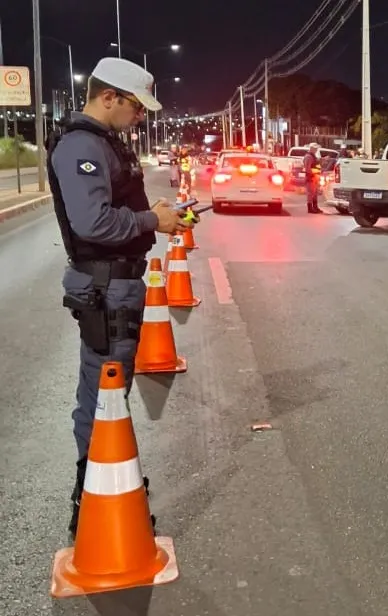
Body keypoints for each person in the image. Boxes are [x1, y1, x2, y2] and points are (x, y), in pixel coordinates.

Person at [47, 57, 193, 536]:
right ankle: (92, 498)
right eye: (136, 106)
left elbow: (114, 210)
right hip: (105, 288)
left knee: (112, 390)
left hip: (116, 283)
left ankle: (106, 483)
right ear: (108, 97)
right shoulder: (81, 146)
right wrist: (154, 221)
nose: (141, 116)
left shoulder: (102, 143)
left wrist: (153, 212)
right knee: (104, 394)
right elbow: (93, 223)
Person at [303, 143, 323, 214]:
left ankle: (315, 207)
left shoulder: (313, 156)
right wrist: (313, 174)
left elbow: (316, 164)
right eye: (315, 148)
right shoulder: (308, 157)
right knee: (310, 193)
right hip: (311, 177)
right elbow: (308, 168)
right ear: (311, 148)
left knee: (314, 193)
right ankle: (310, 208)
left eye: (316, 148)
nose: (316, 150)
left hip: (315, 177)